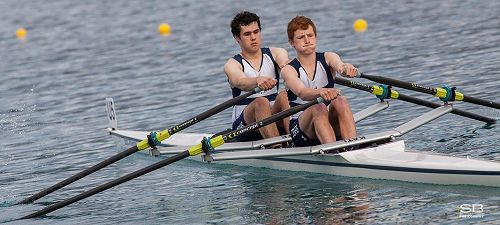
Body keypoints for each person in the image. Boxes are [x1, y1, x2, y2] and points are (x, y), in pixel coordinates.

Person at [281, 15, 358, 147]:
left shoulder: (328, 57)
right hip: (302, 130)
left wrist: (347, 68)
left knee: (341, 100)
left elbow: (340, 66)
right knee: (318, 107)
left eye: (310, 35)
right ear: (291, 42)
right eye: (301, 37)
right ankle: (334, 153)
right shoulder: (288, 70)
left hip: (328, 122)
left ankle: (353, 146)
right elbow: (302, 93)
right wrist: (321, 92)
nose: (307, 40)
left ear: (315, 37)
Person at [224, 11, 290, 142]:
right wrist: (257, 81)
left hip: (273, 117)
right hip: (245, 126)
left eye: (256, 32)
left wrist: (286, 67)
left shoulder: (276, 52)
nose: (253, 37)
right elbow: (241, 82)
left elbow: (284, 61)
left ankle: (295, 138)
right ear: (237, 37)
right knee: (261, 102)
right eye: (247, 34)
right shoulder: (232, 64)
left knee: (284, 95)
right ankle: (276, 146)